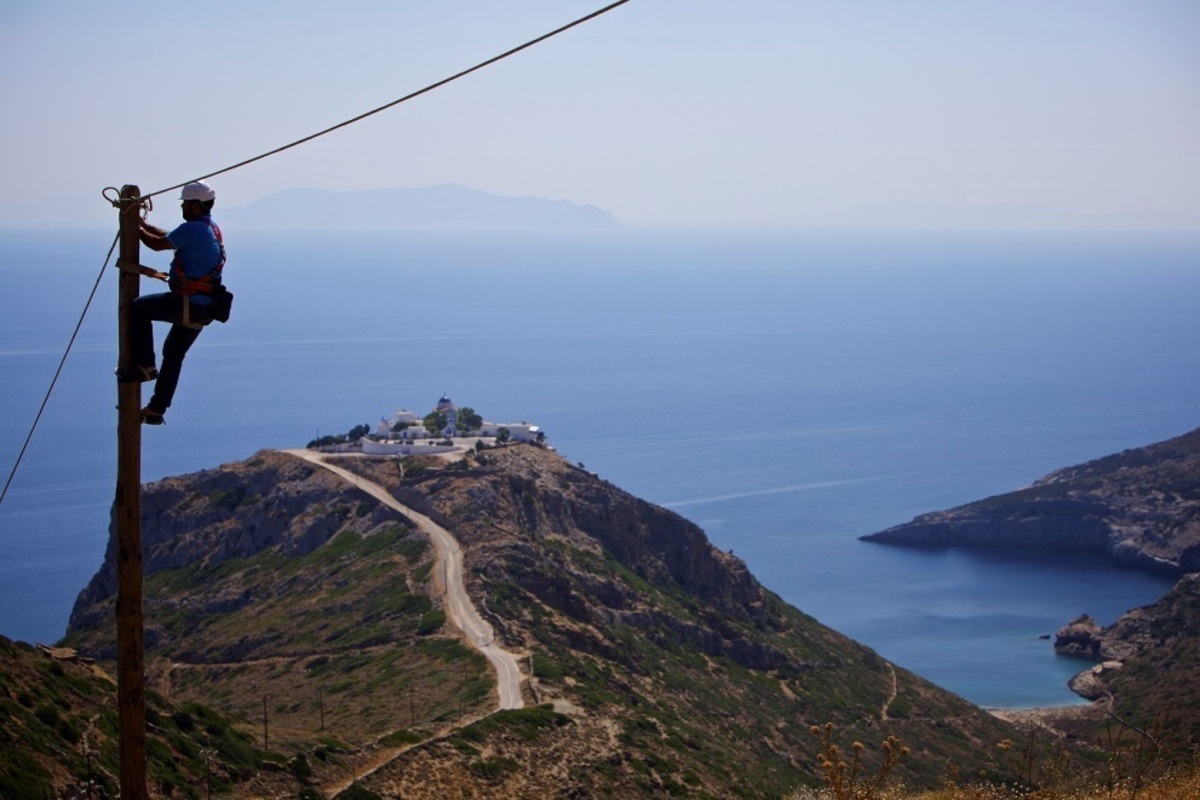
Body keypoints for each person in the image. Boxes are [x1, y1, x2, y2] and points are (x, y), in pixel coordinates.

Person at [121, 180, 226, 425]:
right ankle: (157, 409)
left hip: (188, 303)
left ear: (196, 205)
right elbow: (168, 236)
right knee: (174, 354)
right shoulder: (208, 227)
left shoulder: (194, 229)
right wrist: (143, 224)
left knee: (138, 308)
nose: (183, 208)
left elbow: (157, 244)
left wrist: (131, 225)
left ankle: (145, 365)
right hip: (204, 307)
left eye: (186, 204)